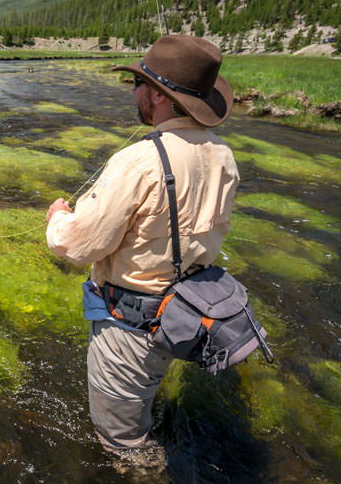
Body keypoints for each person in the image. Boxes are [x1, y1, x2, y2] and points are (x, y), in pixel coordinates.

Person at [44, 35, 240, 469]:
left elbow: (76, 246)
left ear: (158, 96)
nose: (132, 91)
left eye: (138, 83)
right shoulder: (224, 155)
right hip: (185, 313)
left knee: (124, 443)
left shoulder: (138, 162)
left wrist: (58, 216)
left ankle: (147, 473)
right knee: (145, 397)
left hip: (131, 328)